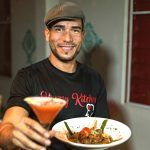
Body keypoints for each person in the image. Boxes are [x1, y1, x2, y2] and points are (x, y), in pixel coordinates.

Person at [0, 1, 109, 150]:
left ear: (82, 36)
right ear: (47, 34)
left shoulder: (95, 79)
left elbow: (102, 133)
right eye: (59, 29)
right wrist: (13, 135)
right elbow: (7, 129)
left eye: (75, 30)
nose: (67, 38)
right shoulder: (27, 76)